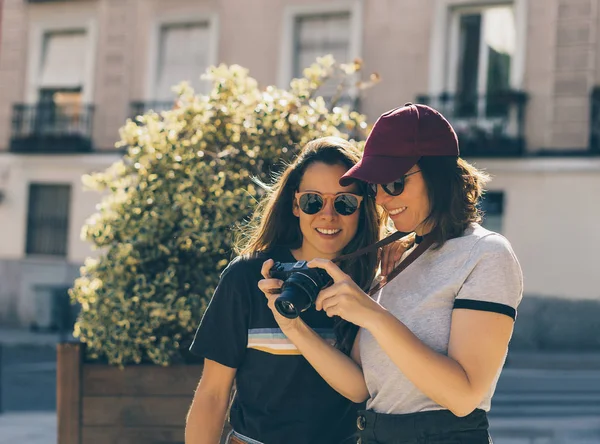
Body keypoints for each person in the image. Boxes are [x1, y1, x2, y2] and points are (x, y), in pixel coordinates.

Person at [259, 103, 523, 444]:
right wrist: (292, 326)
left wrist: (373, 316)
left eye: (394, 183)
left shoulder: (485, 253)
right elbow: (360, 387)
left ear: (438, 174)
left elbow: (463, 397)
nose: (382, 199)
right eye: (375, 187)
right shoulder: (398, 257)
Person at [185, 136, 384, 444]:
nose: (327, 215)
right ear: (295, 204)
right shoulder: (247, 276)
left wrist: (293, 327)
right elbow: (212, 393)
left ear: (361, 207)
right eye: (312, 201)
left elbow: (360, 388)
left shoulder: (373, 285)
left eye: (344, 202)